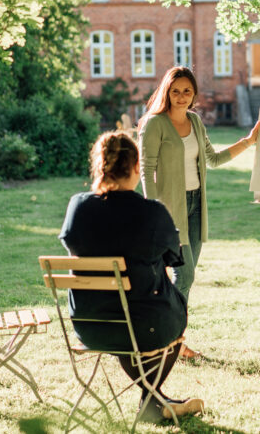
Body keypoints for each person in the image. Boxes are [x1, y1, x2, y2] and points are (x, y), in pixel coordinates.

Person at [60, 130, 203, 423]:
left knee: (132, 316)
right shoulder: (151, 212)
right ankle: (151, 401)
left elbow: (71, 242)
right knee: (173, 313)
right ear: (137, 167)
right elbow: (173, 257)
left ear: (100, 166)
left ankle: (153, 401)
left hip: (91, 325)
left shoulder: (78, 206)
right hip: (142, 325)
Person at [138, 66, 260, 357]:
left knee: (184, 276)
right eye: (176, 90)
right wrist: (153, 211)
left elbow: (213, 159)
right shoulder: (155, 124)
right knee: (185, 274)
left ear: (194, 95)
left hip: (195, 206)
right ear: (167, 91)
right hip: (169, 209)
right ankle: (169, 339)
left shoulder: (195, 121)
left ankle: (174, 339)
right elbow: (146, 169)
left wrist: (249, 141)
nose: (181, 97)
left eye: (187, 91)